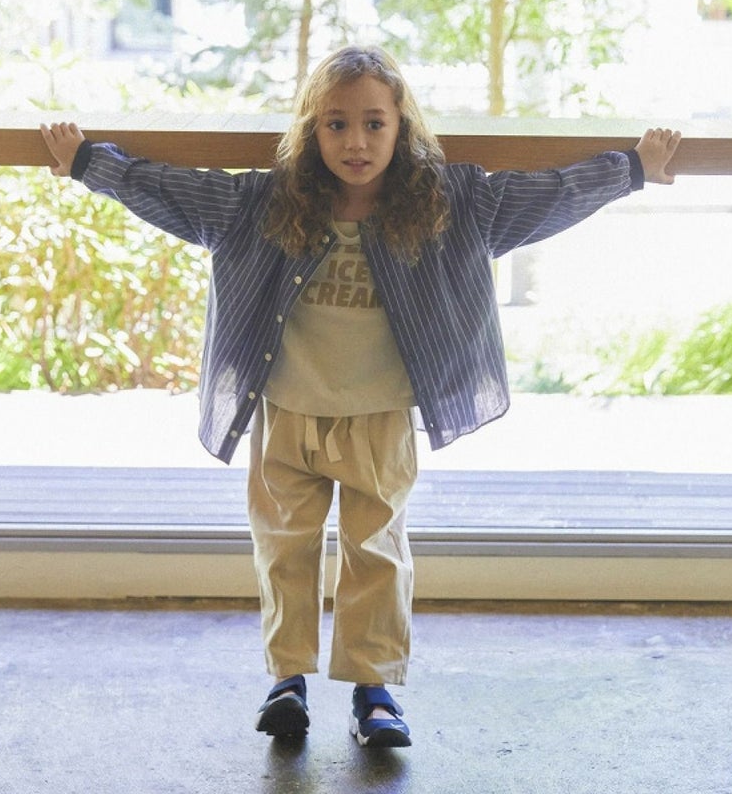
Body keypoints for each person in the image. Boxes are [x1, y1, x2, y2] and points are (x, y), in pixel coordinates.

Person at [41, 45, 681, 749]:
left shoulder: (449, 205)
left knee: (376, 552)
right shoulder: (265, 204)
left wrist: (631, 169)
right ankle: (287, 681)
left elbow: (548, 194)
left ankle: (373, 691)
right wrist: (88, 162)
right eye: (336, 124)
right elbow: (171, 189)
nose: (356, 142)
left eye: (374, 123)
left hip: (380, 417)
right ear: (312, 130)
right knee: (283, 550)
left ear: (401, 125)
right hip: (287, 412)